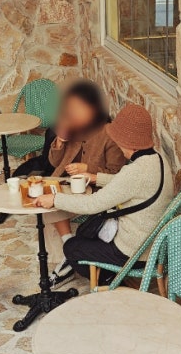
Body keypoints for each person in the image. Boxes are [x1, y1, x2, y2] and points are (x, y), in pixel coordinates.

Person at [33, 103, 173, 286]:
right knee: (83, 234)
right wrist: (95, 178)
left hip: (135, 252)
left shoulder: (134, 172)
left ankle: (108, 279)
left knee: (72, 248)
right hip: (153, 244)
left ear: (128, 143)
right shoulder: (158, 159)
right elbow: (128, 184)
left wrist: (54, 199)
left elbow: (93, 204)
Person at [16, 79, 127, 287]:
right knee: (47, 202)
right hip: (65, 183)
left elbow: (116, 174)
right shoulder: (73, 127)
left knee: (55, 203)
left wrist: (88, 169)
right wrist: (59, 141)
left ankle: (67, 259)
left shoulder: (109, 133)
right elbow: (53, 162)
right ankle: (69, 251)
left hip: (93, 190)